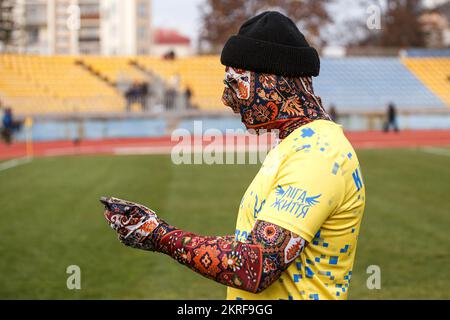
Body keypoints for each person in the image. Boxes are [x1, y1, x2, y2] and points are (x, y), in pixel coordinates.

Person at [101, 11, 366, 300]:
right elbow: (251, 245)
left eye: (235, 84)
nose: (226, 100)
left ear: (272, 82)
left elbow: (256, 264)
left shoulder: (317, 154)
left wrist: (159, 235)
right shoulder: (298, 144)